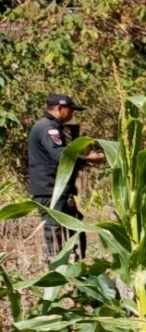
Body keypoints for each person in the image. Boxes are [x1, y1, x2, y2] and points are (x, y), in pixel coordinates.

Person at [27, 93, 104, 262]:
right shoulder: (48, 128)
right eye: (71, 110)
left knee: (73, 222)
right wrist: (88, 159)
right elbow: (60, 156)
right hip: (51, 188)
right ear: (60, 108)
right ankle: (56, 265)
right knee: (55, 225)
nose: (72, 115)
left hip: (56, 186)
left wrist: (85, 162)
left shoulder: (49, 126)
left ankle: (74, 261)